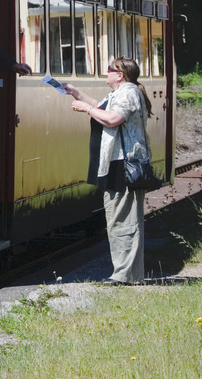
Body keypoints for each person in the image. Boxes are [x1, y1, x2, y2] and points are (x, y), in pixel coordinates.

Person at [62, 57, 152, 285]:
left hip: (124, 164)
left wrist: (87, 109)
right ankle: (131, 276)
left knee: (123, 221)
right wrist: (76, 93)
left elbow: (113, 118)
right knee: (119, 219)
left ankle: (123, 276)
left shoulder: (128, 92)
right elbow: (102, 108)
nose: (106, 72)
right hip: (116, 164)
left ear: (119, 74)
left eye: (110, 69)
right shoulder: (120, 93)